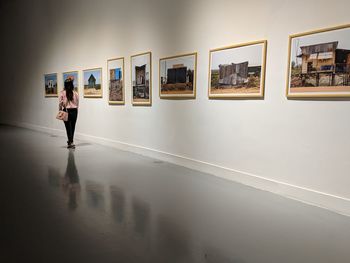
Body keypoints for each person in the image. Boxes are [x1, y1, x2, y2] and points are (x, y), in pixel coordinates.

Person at [59, 78, 79, 148]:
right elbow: (77, 103)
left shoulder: (62, 92)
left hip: (66, 110)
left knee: (68, 127)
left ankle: (70, 142)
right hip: (74, 111)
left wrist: (60, 110)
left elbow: (61, 103)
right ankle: (71, 141)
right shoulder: (75, 93)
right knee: (73, 127)